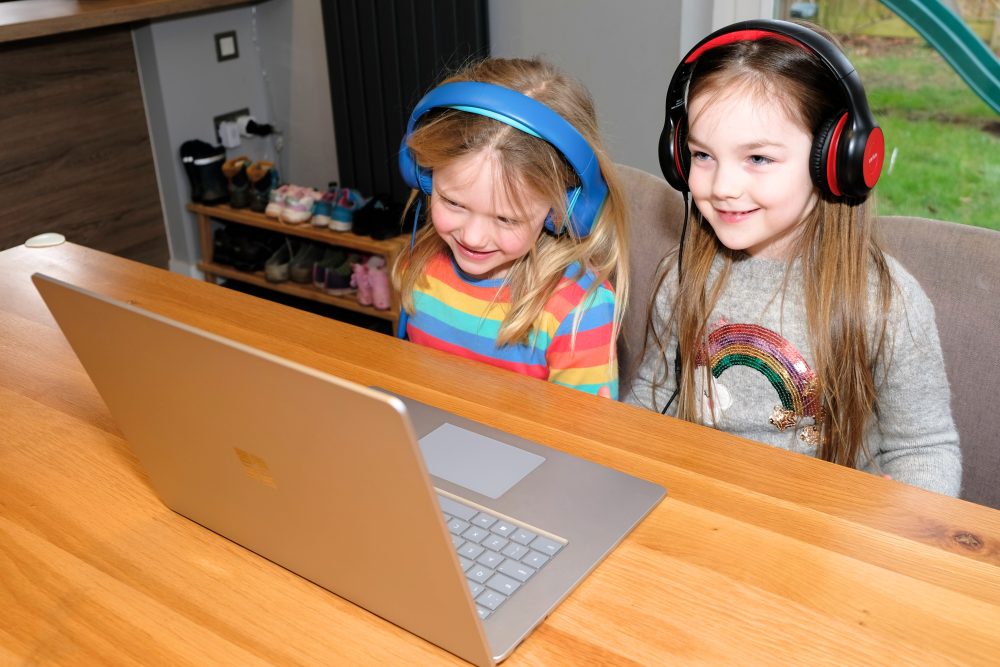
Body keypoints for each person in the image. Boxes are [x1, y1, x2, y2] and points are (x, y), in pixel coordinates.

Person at [626, 20, 962, 495]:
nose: (722, 187)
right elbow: (653, 396)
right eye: (702, 155)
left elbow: (924, 446)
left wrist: (906, 528)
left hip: (825, 531)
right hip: (698, 510)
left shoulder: (887, 303)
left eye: (758, 159)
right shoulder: (682, 275)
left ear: (838, 158)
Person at [392, 57, 628, 399]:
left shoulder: (578, 312)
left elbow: (581, 444)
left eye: (506, 219)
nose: (472, 237)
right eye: (454, 203)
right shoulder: (419, 267)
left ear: (565, 210)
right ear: (423, 176)